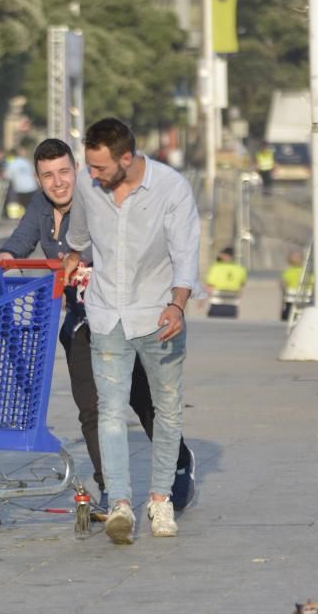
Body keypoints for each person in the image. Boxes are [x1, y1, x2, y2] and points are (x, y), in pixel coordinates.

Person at [0, 138, 196, 515]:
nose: (58, 182)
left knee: (143, 400)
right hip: (81, 321)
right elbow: (19, 242)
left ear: (76, 169)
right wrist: (2, 258)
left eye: (64, 172)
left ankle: (178, 460)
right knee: (92, 408)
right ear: (38, 178)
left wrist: (90, 267)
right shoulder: (41, 208)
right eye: (47, 175)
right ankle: (111, 489)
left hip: (124, 315)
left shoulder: (95, 199)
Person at [63, 118, 202, 545]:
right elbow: (79, 236)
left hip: (159, 314)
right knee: (110, 411)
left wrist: (178, 305)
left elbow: (185, 253)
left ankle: (160, 499)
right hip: (106, 313)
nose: (92, 175)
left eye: (101, 167)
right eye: (89, 165)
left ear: (127, 158)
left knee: (166, 409)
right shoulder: (89, 186)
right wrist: (71, 257)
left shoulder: (171, 188)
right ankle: (120, 502)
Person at [204, 247, 247, 318]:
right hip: (232, 305)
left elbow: (210, 288)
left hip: (216, 304)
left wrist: (201, 302)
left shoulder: (215, 268)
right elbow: (241, 287)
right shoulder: (240, 269)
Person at [3, 145, 38, 213]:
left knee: (25, 207)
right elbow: (33, 173)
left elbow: (6, 176)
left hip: (21, 189)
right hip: (32, 187)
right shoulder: (26, 162)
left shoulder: (12, 164)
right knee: (32, 207)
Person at [280, 249, 309, 321]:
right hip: (305, 299)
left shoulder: (288, 272)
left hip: (291, 299)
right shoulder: (307, 272)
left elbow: (283, 285)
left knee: (288, 305)